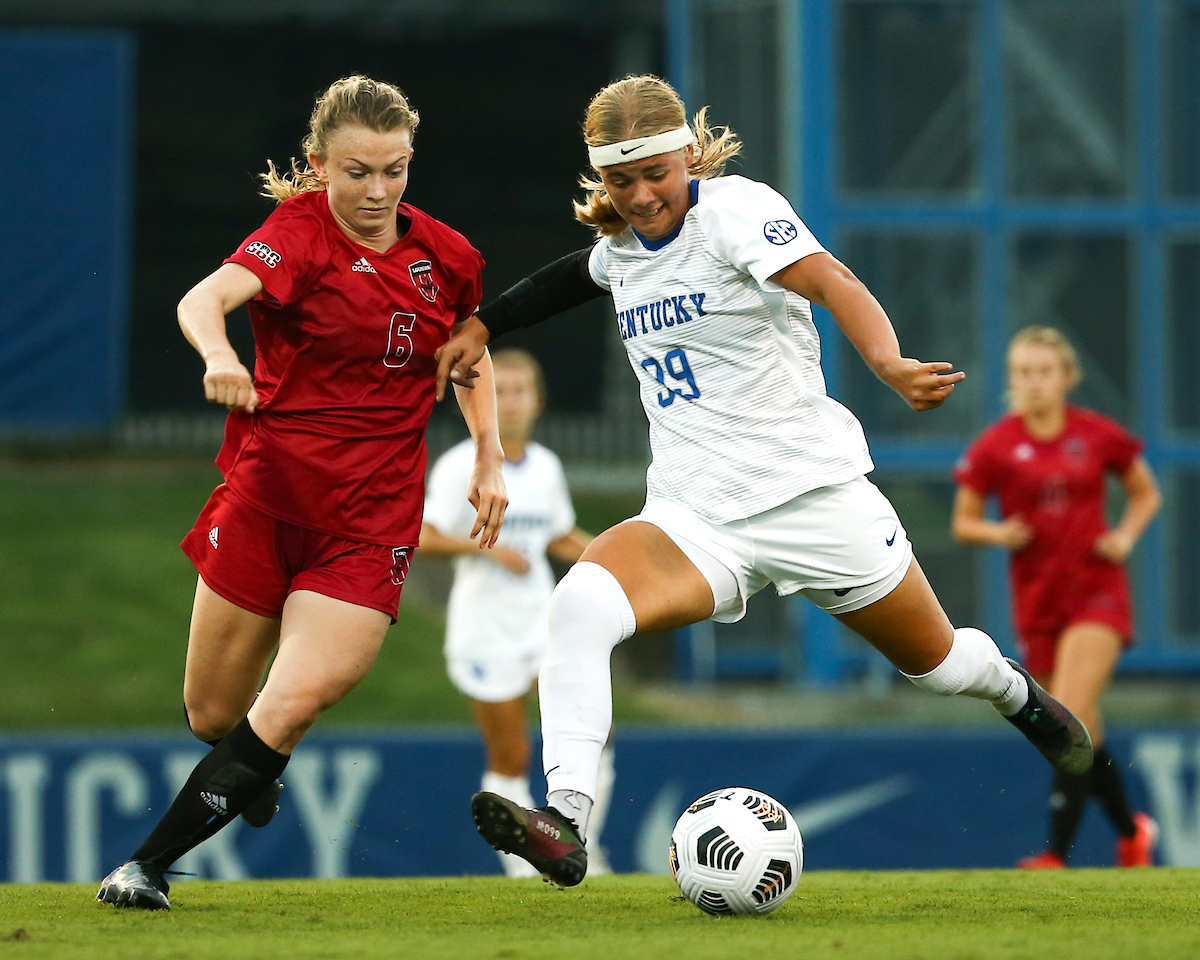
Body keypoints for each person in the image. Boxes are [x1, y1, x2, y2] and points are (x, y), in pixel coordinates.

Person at [434, 74, 1094, 887]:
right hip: (694, 516)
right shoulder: (621, 255)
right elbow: (574, 275)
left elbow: (832, 283)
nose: (641, 196)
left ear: (686, 155)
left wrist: (887, 363)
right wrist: (484, 324)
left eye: (656, 174)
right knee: (578, 605)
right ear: (601, 176)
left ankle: (1014, 693)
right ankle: (565, 819)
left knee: (939, 665)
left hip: (814, 499)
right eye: (620, 179)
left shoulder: (735, 210)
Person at [96, 75, 507, 910]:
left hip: (370, 522)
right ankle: (247, 763)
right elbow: (203, 298)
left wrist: (487, 455)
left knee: (296, 697)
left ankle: (145, 866)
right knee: (214, 716)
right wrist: (219, 355)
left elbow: (468, 352)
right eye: (357, 172)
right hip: (266, 499)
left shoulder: (448, 258)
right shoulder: (298, 233)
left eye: (394, 170)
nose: (377, 190)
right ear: (320, 166)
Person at [952, 326, 1161, 869]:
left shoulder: (1096, 434)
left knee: (1069, 716)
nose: (1034, 383)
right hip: (1039, 604)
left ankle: (1055, 854)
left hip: (1097, 595)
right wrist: (1001, 533)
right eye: (1023, 372)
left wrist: (1125, 536)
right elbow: (964, 522)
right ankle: (1132, 832)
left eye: (1044, 371)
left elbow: (1145, 492)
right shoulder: (997, 444)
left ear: (1067, 377)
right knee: (1085, 724)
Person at [419, 348, 611, 878]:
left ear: (538, 400)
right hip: (485, 630)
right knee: (512, 755)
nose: (511, 400)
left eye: (521, 390)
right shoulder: (463, 463)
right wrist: (485, 548)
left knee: (595, 731)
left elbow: (559, 534)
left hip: (542, 624)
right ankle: (525, 868)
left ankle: (578, 847)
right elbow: (423, 534)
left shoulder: (546, 467)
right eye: (498, 391)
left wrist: (616, 561)